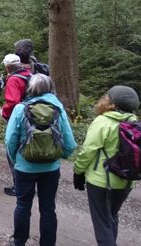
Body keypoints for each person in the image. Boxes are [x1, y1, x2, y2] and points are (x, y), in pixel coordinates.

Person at [5, 74, 77, 246]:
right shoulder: (58, 109)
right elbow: (70, 143)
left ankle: (19, 242)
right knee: (48, 209)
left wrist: (17, 161)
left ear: (30, 89)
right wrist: (59, 157)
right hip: (51, 169)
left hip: (25, 167)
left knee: (23, 205)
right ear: (51, 88)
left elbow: (10, 141)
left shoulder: (20, 109)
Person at [73, 86, 139, 246]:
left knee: (102, 224)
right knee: (111, 216)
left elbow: (88, 151)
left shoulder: (103, 122)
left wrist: (78, 171)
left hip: (101, 181)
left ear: (112, 103)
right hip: (125, 181)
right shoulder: (134, 123)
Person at [1, 53, 32, 196]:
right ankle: (30, 182)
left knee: (12, 149)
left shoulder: (14, 79)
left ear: (8, 67)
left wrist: (4, 113)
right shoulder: (29, 74)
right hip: (32, 116)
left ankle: (18, 185)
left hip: (18, 118)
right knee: (28, 147)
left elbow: (12, 102)